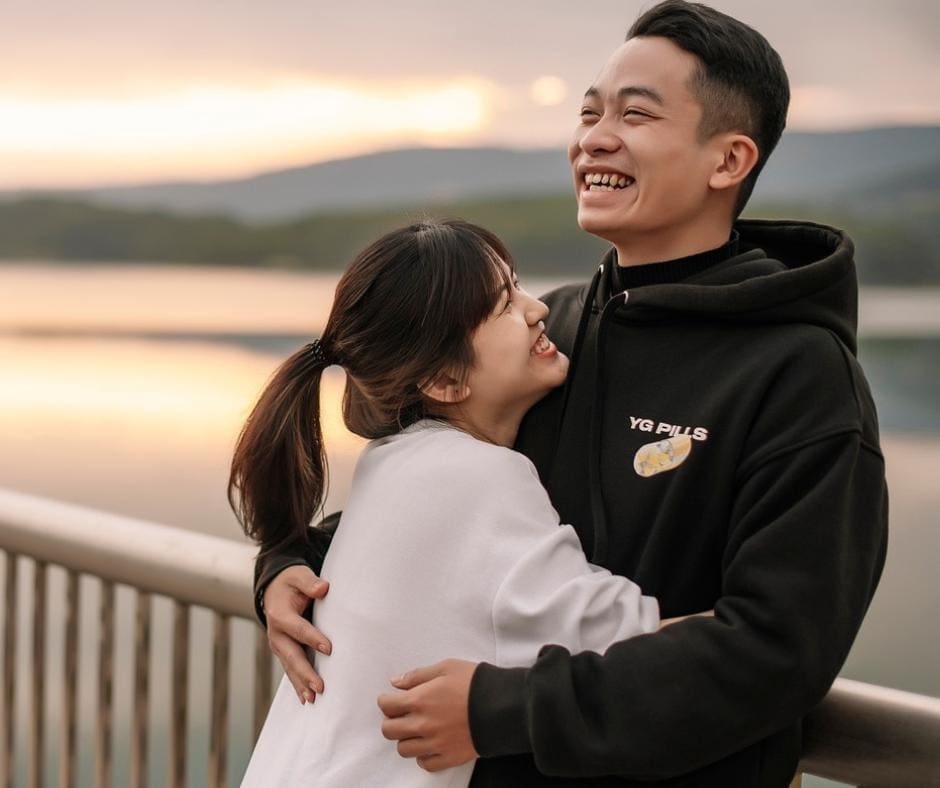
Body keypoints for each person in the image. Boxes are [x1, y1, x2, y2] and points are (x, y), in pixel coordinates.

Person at [254, 2, 889, 786]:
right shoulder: (550, 333)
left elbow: (779, 648)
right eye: (589, 111)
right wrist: (286, 567)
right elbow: (433, 504)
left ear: (728, 161)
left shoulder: (801, 378)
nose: (594, 137)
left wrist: (504, 709)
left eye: (635, 114)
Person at [232, 219, 683, 787]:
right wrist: (762, 632)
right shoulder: (479, 477)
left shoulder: (394, 461)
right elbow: (629, 637)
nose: (536, 309)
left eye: (517, 284)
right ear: (445, 381)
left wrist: (276, 563)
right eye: (503, 305)